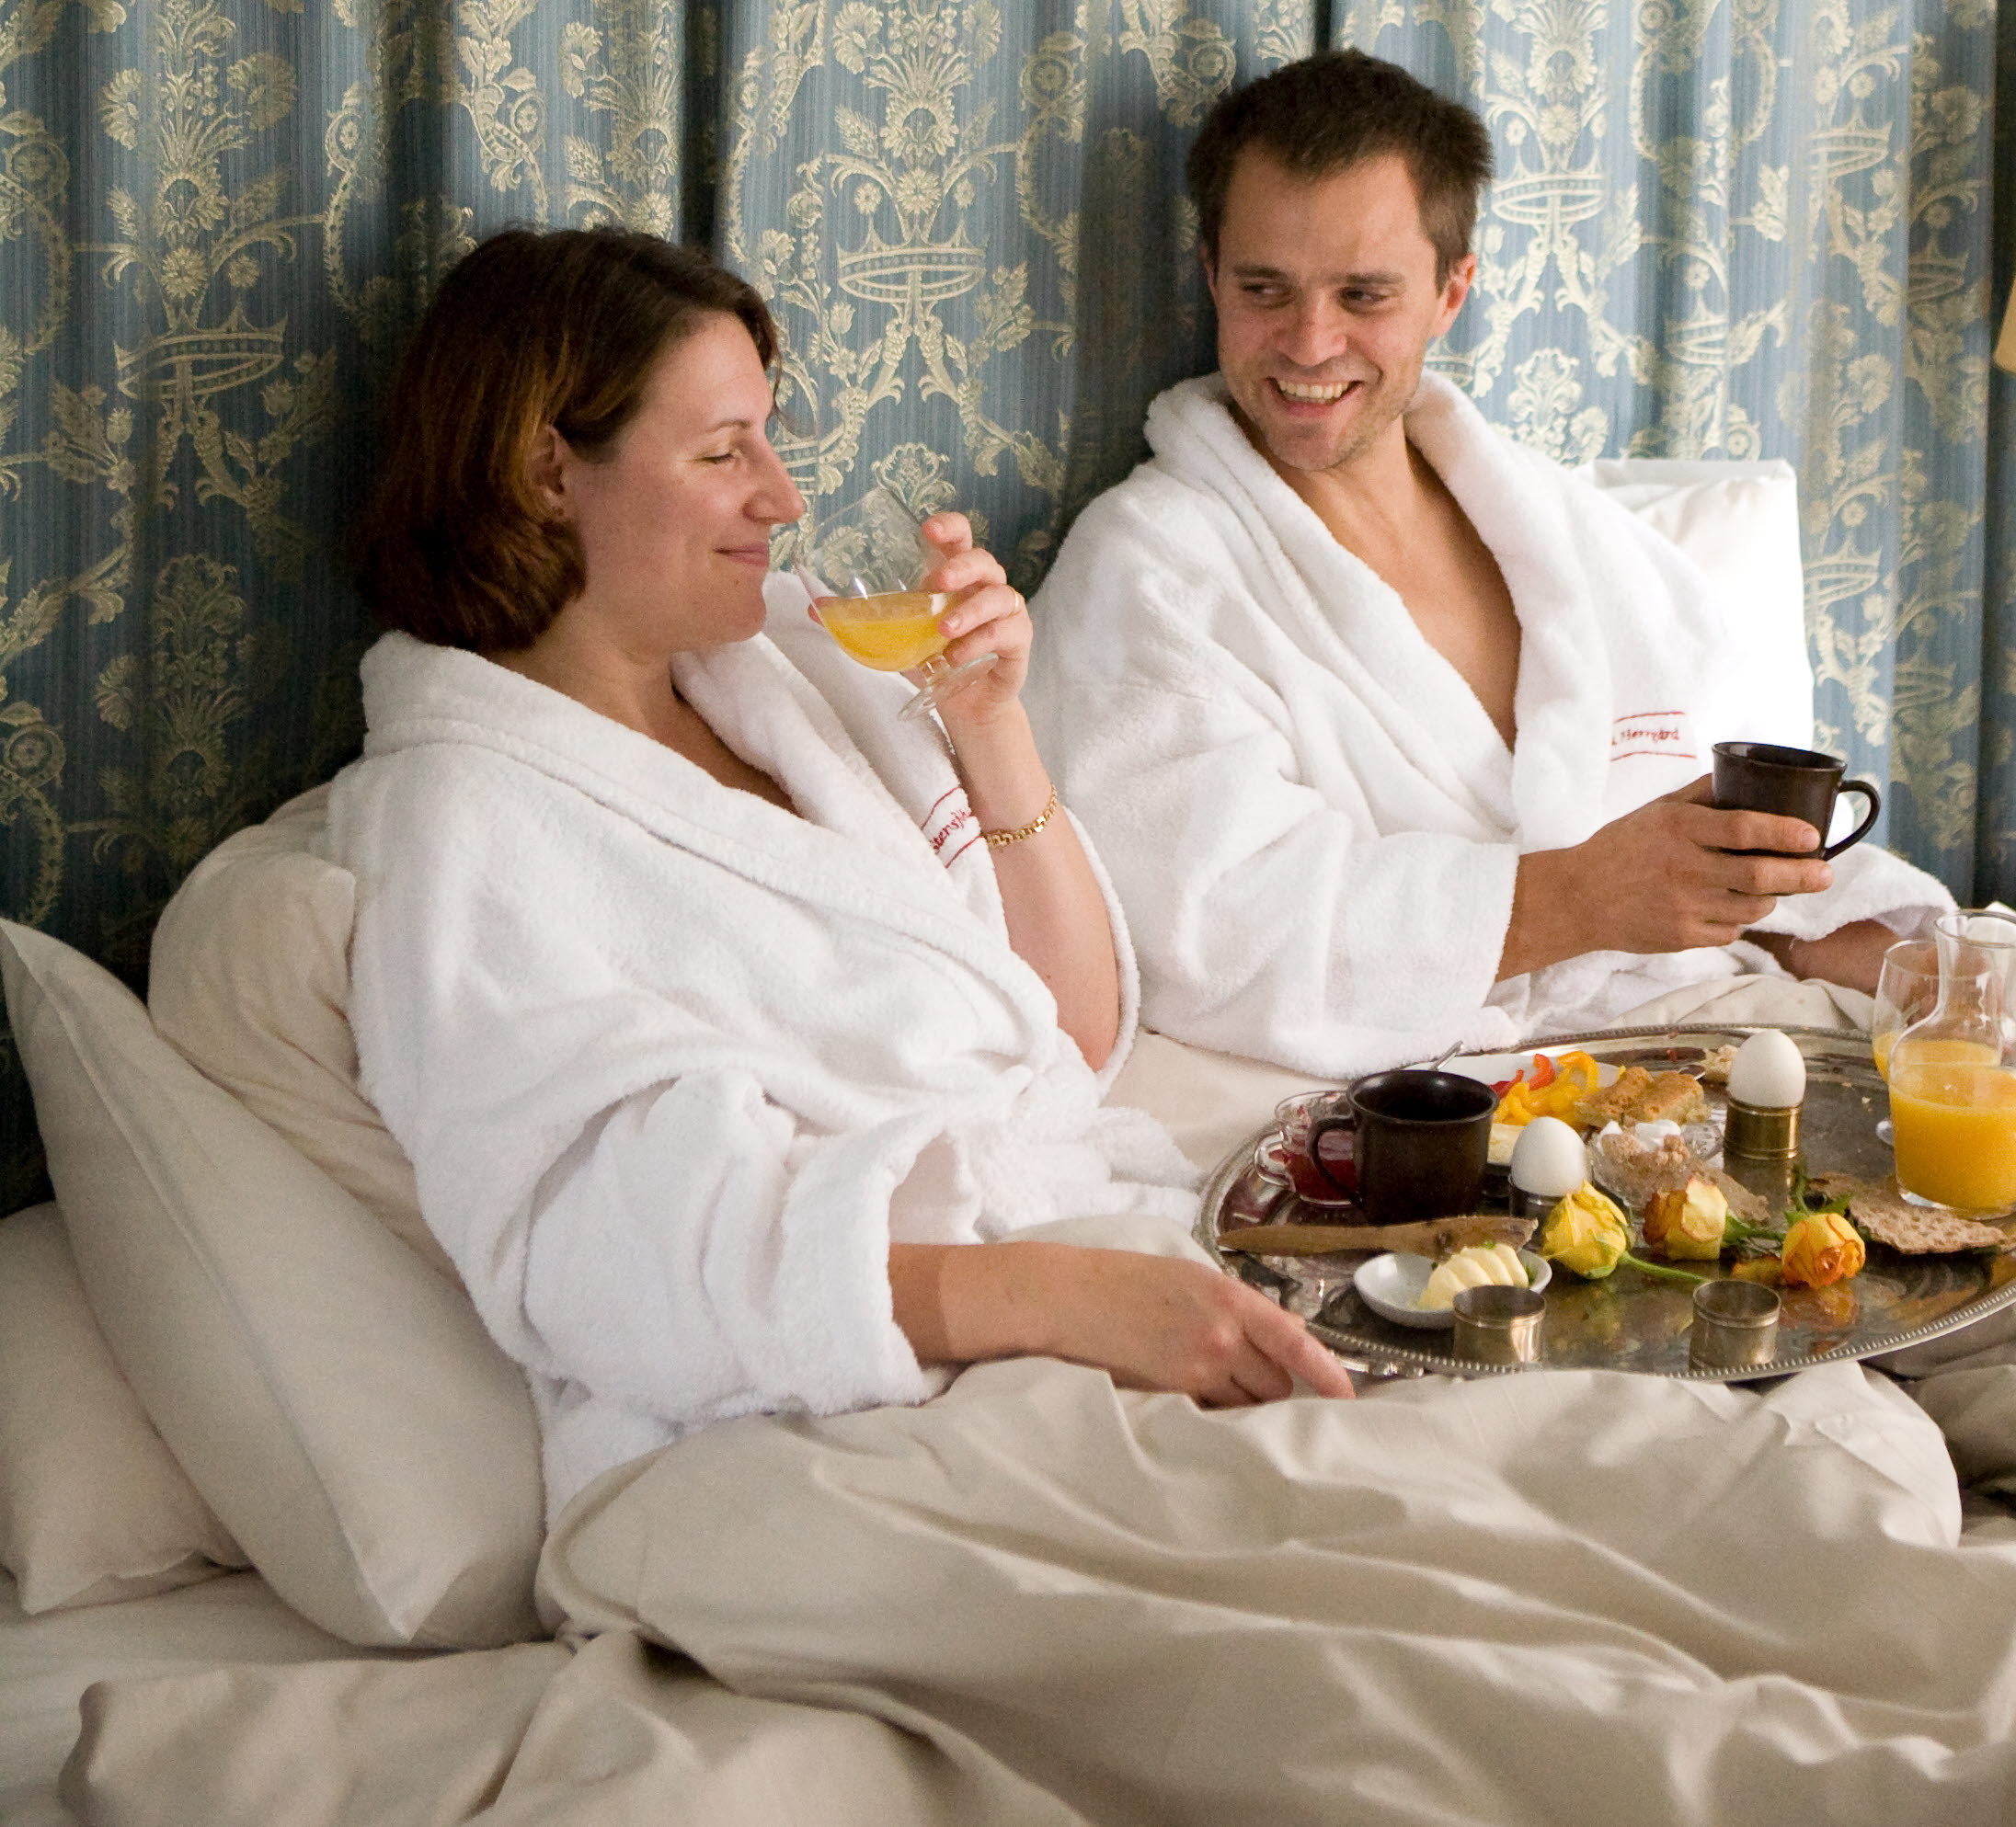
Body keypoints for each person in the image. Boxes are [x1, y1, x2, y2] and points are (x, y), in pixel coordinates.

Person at [338, 225, 1349, 1516]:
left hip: (1078, 1268)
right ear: (548, 470)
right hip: (796, 1418)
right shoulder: (462, 820)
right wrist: (1056, 1296)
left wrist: (991, 729)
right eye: (723, 451)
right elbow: (611, 1257)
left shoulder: (795, 673)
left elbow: (1071, 1034)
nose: (782, 494)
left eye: (768, 437)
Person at [1027, 50, 1955, 1082]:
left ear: (1448, 293)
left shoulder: (1563, 532)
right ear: (1210, 274)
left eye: (1363, 295)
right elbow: (1205, 929)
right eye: (1264, 288)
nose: (1307, 341)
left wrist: (1856, 939)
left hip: (1700, 1035)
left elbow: (1695, 813)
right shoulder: (1147, 573)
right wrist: (1565, 899)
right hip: (1439, 1099)